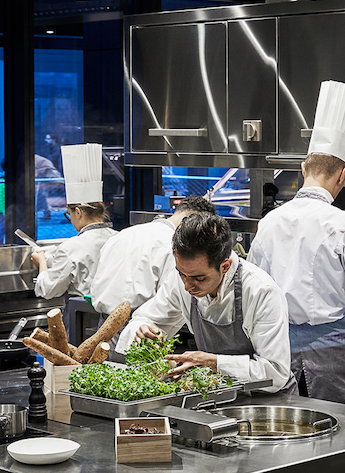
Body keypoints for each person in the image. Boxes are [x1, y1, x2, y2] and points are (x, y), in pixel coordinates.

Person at [250, 81, 345, 406]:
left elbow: (253, 291)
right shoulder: (343, 224)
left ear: (303, 168)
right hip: (334, 353)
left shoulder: (270, 221)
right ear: (343, 175)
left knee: (287, 428)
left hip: (279, 350)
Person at [122, 212, 293, 395]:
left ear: (225, 266)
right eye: (181, 274)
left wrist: (215, 363)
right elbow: (144, 319)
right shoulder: (182, 279)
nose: (187, 286)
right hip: (221, 396)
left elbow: (275, 372)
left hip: (269, 400)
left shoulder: (261, 291)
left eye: (199, 278)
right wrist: (143, 330)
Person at [89, 195, 216, 317]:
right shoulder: (174, 245)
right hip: (142, 323)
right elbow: (171, 298)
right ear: (194, 223)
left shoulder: (123, 234)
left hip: (103, 320)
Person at [32, 143, 113, 299]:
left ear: (78, 212)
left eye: (69, 214)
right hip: (116, 311)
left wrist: (41, 262)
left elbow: (48, 290)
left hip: (83, 311)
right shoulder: (118, 237)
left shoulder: (70, 248)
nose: (71, 220)